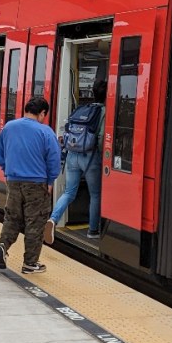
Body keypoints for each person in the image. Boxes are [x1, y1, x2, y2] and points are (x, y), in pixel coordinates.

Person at [0, 96, 60, 274]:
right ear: (42, 113)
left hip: (13, 181)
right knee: (35, 222)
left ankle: (2, 246)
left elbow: (0, 153)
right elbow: (54, 159)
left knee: (12, 218)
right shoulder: (46, 132)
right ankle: (30, 262)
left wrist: (8, 170)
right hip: (37, 184)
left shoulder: (9, 127)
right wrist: (50, 180)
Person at [45, 81, 107, 243]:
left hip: (72, 154)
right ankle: (93, 230)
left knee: (69, 192)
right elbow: (100, 137)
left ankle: (53, 219)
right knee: (95, 194)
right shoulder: (103, 112)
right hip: (91, 157)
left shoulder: (81, 109)